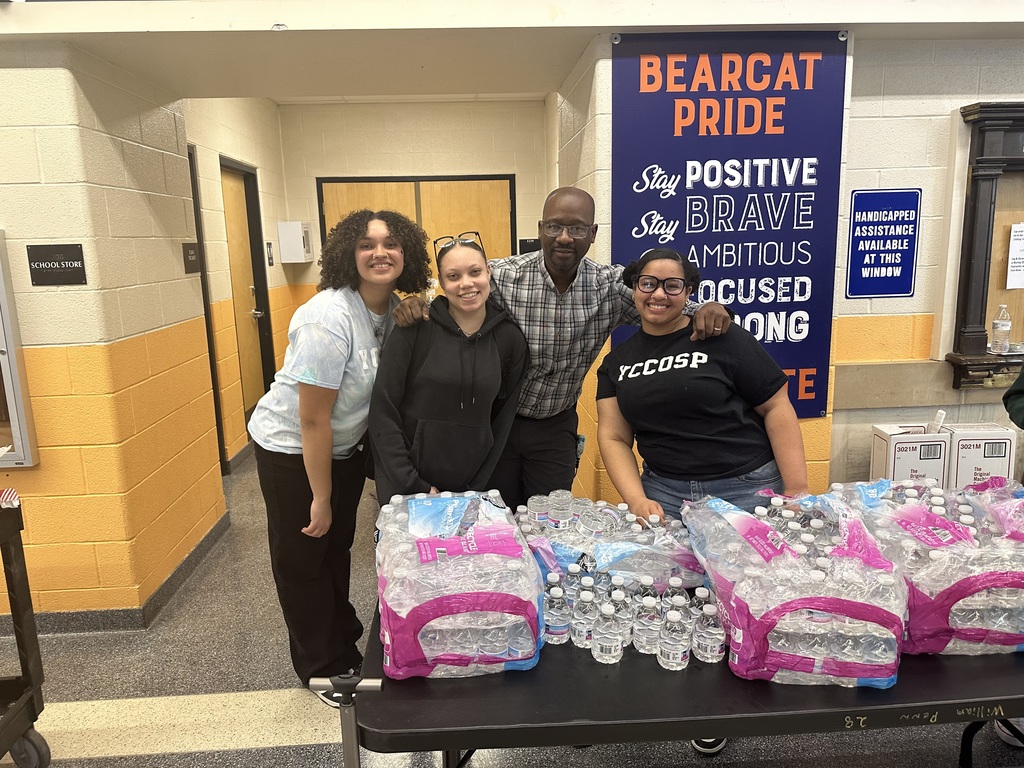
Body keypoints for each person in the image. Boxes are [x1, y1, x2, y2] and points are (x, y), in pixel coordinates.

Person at [394, 187, 732, 510]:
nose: (565, 237)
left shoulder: (609, 288)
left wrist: (710, 310)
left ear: (594, 233)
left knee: (550, 521)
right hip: (498, 423)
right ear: (541, 229)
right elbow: (455, 290)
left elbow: (665, 303)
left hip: (555, 428)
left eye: (576, 228)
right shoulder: (504, 276)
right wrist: (417, 303)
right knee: (496, 515)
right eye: (554, 226)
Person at [247, 209, 430, 707]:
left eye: (391, 243)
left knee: (335, 549)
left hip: (344, 446)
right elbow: (311, 420)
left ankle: (341, 636)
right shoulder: (327, 317)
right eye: (367, 244)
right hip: (292, 449)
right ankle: (320, 668)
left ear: (405, 253)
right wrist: (321, 495)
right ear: (348, 254)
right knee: (303, 556)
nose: (380, 252)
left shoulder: (393, 308)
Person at [596, 247, 809, 522]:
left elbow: (776, 407)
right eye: (648, 283)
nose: (658, 294)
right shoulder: (616, 362)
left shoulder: (724, 338)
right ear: (635, 288)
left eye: (672, 286)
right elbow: (614, 438)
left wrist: (796, 489)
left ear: (688, 292)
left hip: (747, 489)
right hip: (664, 495)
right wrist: (637, 500)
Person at [369, 233, 529, 502]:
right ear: (442, 282)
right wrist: (412, 483)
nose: (466, 284)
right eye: (453, 276)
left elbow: (501, 424)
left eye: (475, 272)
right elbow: (383, 411)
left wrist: (476, 487)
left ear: (489, 272)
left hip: (471, 488)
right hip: (406, 483)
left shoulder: (509, 340)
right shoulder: (415, 329)